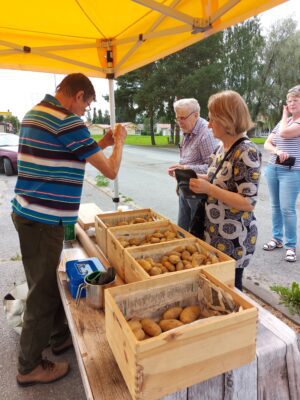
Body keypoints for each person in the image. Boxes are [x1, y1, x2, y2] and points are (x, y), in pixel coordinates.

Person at [11, 73, 127, 386]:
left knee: (42, 279)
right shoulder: (68, 122)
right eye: (86, 106)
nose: (84, 113)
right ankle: (29, 365)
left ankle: (59, 336)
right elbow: (111, 169)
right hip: (43, 219)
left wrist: (100, 143)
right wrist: (119, 143)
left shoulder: (36, 112)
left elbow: (72, 150)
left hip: (28, 212)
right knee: (43, 291)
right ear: (76, 95)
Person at [189, 90, 261, 291]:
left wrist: (209, 188)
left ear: (227, 120)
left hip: (233, 239)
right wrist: (189, 175)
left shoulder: (247, 151)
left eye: (212, 119)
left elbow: (248, 202)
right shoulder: (222, 147)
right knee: (216, 287)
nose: (209, 125)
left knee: (230, 290)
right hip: (215, 233)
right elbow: (217, 181)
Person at [168, 98, 218, 231]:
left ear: (196, 115)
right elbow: (187, 159)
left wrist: (185, 169)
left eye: (183, 118)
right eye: (177, 118)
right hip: (187, 187)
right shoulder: (188, 129)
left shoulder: (206, 134)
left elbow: (212, 168)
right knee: (183, 227)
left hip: (199, 193)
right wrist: (180, 177)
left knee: (196, 230)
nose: (179, 122)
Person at [263, 85, 300, 262]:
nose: (291, 103)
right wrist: (277, 151)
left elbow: (284, 133)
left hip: (292, 171)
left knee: (288, 209)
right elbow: (267, 144)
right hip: (273, 168)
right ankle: (277, 239)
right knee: (275, 206)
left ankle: (290, 245)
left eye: (295, 100)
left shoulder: (290, 122)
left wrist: (285, 114)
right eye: (289, 101)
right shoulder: (281, 122)